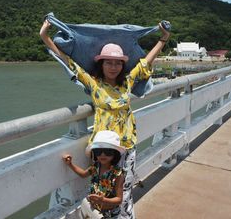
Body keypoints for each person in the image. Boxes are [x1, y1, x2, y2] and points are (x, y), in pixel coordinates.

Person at [40, 18, 170, 218]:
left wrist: (163, 39)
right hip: (102, 147)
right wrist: (45, 36)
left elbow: (146, 62)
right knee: (100, 188)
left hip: (126, 145)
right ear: (100, 64)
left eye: (118, 63)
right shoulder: (94, 84)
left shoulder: (127, 83)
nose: (113, 67)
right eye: (109, 62)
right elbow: (69, 62)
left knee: (123, 191)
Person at [63, 130, 126, 218]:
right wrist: (70, 164)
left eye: (108, 151)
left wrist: (103, 200)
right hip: (94, 209)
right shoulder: (95, 167)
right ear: (94, 153)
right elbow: (83, 174)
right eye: (98, 151)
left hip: (109, 214)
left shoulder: (118, 174)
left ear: (115, 154)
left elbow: (119, 199)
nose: (102, 154)